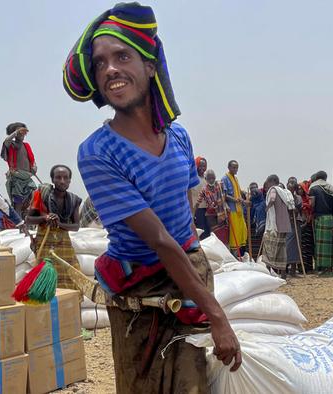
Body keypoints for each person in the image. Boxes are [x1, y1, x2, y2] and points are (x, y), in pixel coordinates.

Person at [68, 4, 240, 392]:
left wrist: (197, 265)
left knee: (195, 379)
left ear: (150, 66)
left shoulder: (177, 136)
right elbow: (160, 240)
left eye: (122, 56)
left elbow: (185, 204)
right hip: (142, 292)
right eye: (100, 63)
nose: (110, 68)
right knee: (145, 384)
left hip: (189, 270)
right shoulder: (98, 152)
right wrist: (216, 314)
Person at [26, 165, 82, 292]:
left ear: (69, 180)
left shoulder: (74, 200)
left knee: (72, 277)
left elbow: (76, 226)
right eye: (58, 178)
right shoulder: (40, 195)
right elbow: (29, 220)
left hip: (64, 245)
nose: (62, 181)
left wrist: (59, 223)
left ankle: (68, 305)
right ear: (52, 179)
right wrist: (45, 218)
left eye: (65, 178)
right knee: (45, 281)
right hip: (45, 244)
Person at [0, 122, 37, 217]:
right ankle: (19, 224)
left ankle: (29, 222)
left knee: (34, 196)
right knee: (18, 203)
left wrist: (34, 167)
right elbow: (7, 140)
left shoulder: (26, 145)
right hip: (16, 177)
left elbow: (32, 160)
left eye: (24, 132)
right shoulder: (10, 145)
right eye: (20, 132)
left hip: (27, 177)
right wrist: (16, 132)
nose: (22, 134)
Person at [261, 175, 295, 277]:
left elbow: (272, 199)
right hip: (284, 225)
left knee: (269, 247)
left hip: (274, 225)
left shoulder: (274, 190)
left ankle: (268, 271)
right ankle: (283, 273)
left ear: (272, 181)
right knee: (281, 249)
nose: (266, 184)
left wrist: (267, 208)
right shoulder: (284, 192)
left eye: (267, 182)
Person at [308, 170, 333, 273]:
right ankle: (328, 267)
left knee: (319, 244)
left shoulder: (313, 188)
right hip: (330, 218)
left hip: (319, 218)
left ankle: (319, 267)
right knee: (329, 244)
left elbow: (312, 204)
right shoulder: (331, 188)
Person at [222, 160, 249, 256]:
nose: (236, 169)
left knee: (242, 232)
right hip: (232, 210)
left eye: (237, 167)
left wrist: (243, 194)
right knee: (234, 235)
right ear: (229, 168)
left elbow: (237, 192)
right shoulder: (225, 178)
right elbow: (224, 195)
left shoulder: (236, 179)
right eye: (234, 167)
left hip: (239, 210)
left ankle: (239, 255)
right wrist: (236, 200)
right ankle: (233, 255)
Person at [197, 170, 229, 244]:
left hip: (222, 214)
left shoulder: (221, 185)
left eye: (213, 178)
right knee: (215, 235)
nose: (211, 180)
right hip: (211, 216)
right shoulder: (204, 190)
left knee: (224, 236)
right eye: (209, 178)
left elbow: (225, 197)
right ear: (206, 179)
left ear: (215, 177)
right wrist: (192, 213)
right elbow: (198, 202)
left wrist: (226, 206)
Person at [285, 177, 303, 269]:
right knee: (287, 245)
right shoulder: (284, 197)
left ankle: (293, 268)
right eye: (289, 184)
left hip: (296, 223)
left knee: (296, 246)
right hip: (286, 223)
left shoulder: (298, 198)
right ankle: (285, 268)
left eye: (293, 184)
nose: (291, 186)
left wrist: (293, 209)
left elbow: (298, 209)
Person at [192, 156, 210, 239]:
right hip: (197, 209)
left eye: (204, 166)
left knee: (207, 232)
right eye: (200, 166)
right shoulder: (193, 178)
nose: (202, 168)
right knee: (200, 231)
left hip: (207, 209)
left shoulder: (206, 179)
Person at [248, 182, 266, 257]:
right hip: (252, 231)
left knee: (260, 250)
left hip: (261, 231)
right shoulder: (250, 200)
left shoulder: (263, 203)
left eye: (254, 188)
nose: (253, 190)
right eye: (251, 188)